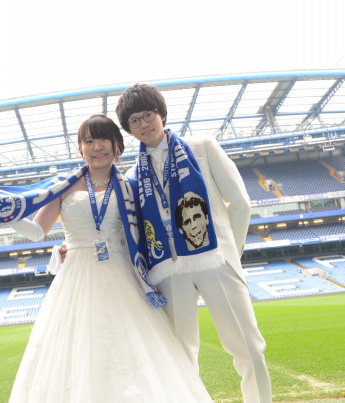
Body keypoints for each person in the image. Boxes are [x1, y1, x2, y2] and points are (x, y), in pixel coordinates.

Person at [0, 114, 212, 402]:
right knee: (77, 349)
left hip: (123, 274)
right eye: (89, 140)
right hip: (77, 276)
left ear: (117, 144)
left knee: (131, 346)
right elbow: (36, 232)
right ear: (80, 147)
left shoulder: (131, 185)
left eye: (103, 138)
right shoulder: (62, 186)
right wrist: (5, 214)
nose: (97, 146)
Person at [114, 83, 272, 403]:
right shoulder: (131, 177)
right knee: (180, 357)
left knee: (248, 346)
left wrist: (230, 254)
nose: (144, 123)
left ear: (161, 113)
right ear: (128, 130)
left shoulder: (202, 146)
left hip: (215, 259)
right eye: (134, 120)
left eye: (149, 114)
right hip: (169, 273)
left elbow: (240, 204)